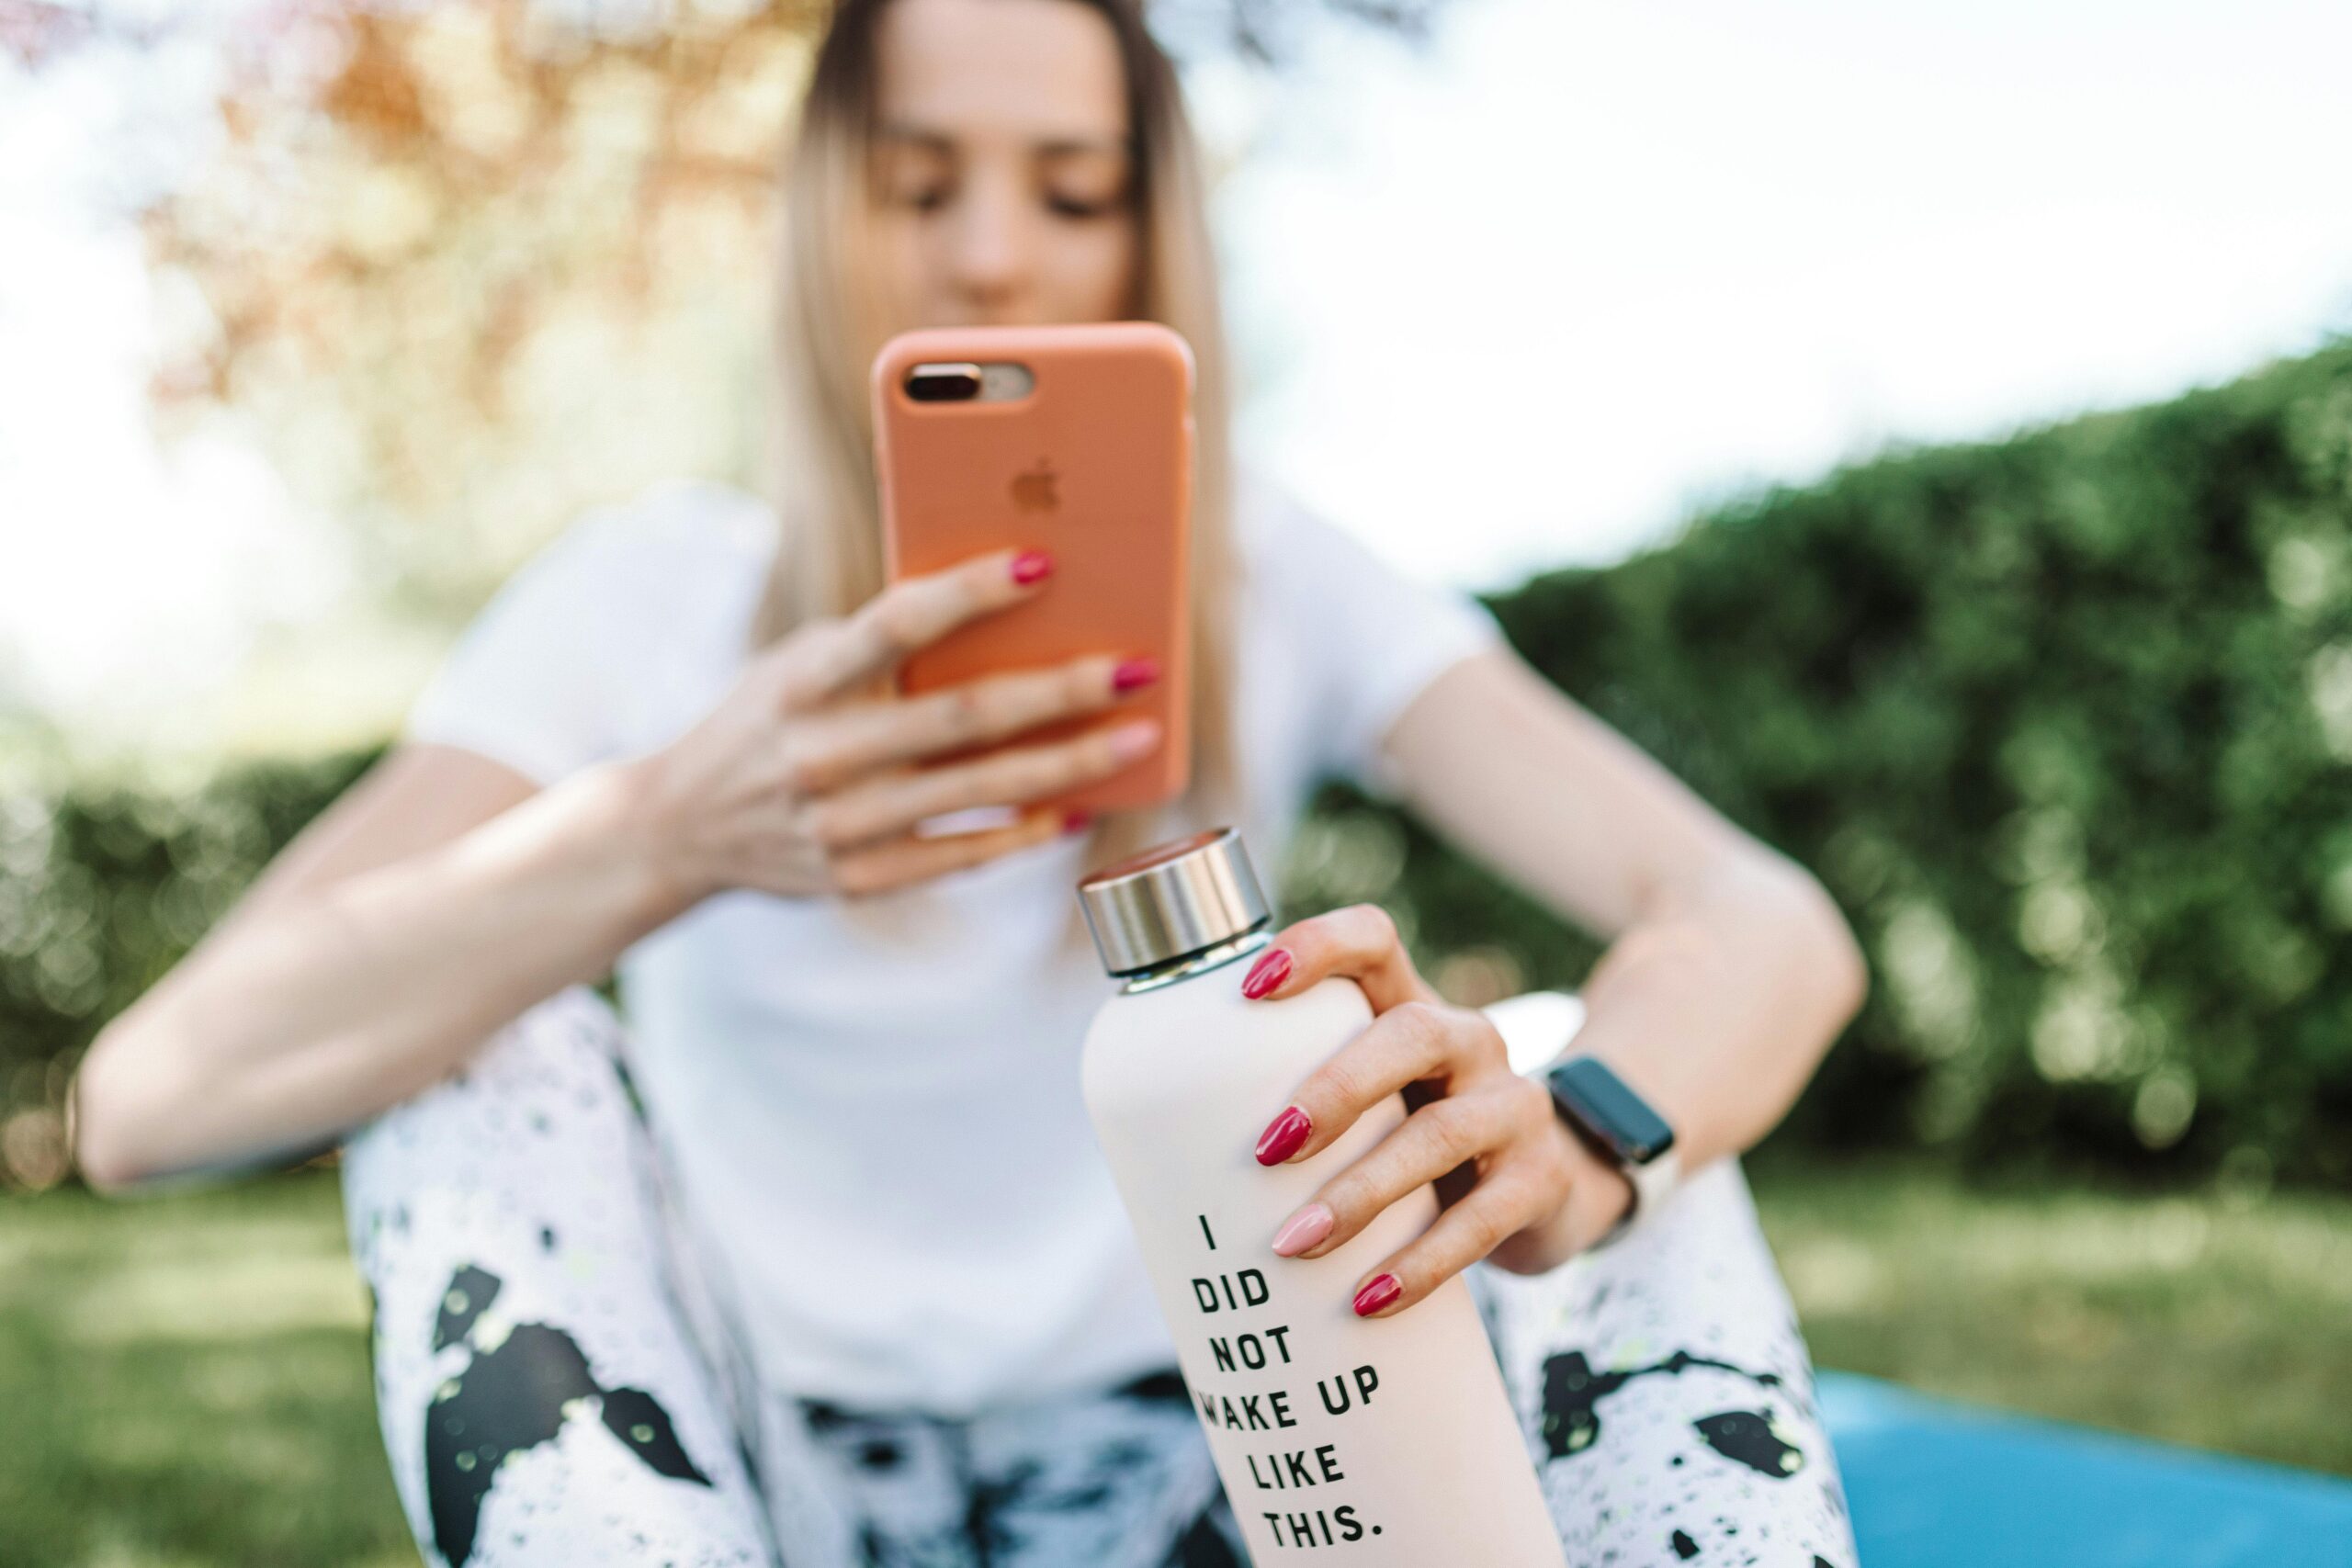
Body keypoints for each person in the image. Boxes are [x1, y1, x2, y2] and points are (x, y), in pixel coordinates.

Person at [72, 1, 1869, 1563]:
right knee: (472, 1030)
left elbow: (1757, 919)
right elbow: (143, 1099)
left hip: (1250, 1458)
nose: (993, 255)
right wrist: (661, 832)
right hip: (753, 1492)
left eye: (1070, 190)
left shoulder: (1266, 573)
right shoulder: (645, 599)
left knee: (1592, 1067)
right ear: (817, 216)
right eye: (919, 184)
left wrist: (1577, 1137)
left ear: (1144, 234)